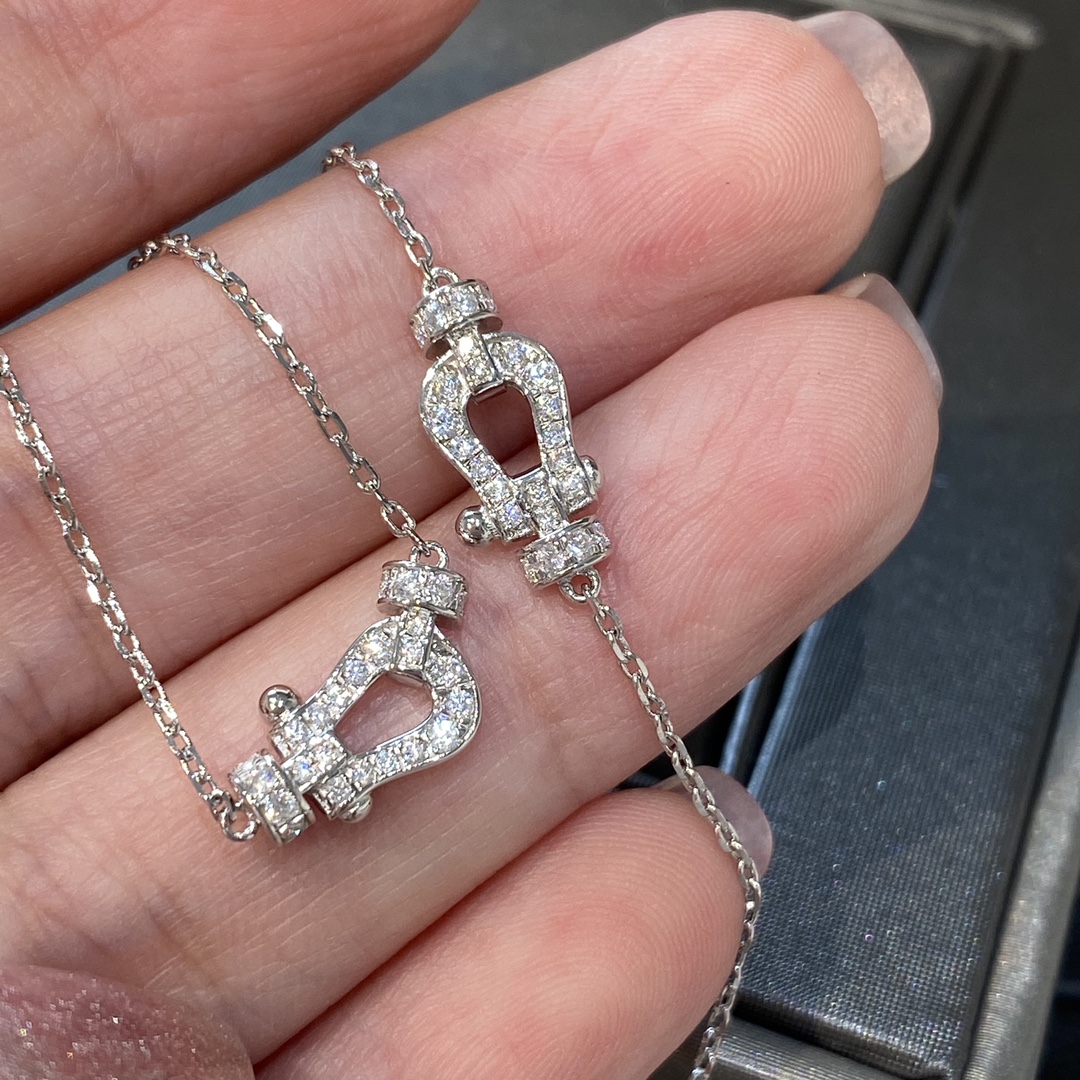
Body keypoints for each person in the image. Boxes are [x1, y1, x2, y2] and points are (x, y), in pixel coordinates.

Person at [0, 4, 937, 1077]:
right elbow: (427, 701)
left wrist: (535, 503)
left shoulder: (489, 415)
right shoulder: (435, 502)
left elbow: (437, 683)